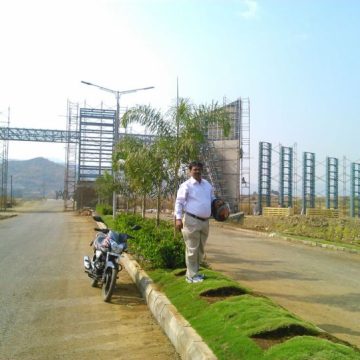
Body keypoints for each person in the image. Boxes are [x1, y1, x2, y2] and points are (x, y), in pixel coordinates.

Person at [174, 161, 216, 283]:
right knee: (192, 248)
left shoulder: (207, 184)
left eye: (199, 169)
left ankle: (195, 273)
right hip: (191, 220)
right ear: (190, 171)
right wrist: (178, 218)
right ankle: (191, 276)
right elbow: (179, 202)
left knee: (200, 249)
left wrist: (217, 202)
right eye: (194, 169)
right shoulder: (186, 186)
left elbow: (212, 198)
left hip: (205, 222)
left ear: (202, 170)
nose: (197, 171)